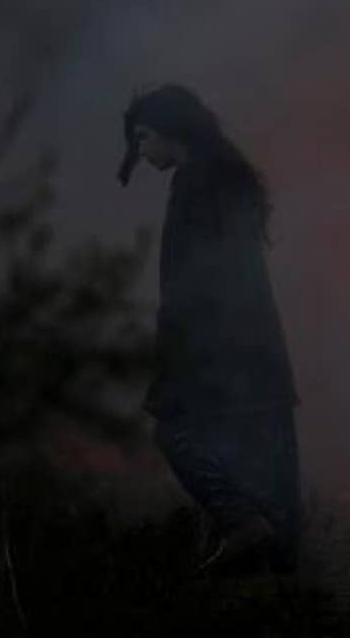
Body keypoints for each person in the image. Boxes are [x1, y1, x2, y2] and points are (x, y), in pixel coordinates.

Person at [119, 85, 301, 571]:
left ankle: (243, 526)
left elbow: (195, 278)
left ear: (170, 129)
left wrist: (180, 347)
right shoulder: (219, 175)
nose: (139, 149)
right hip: (249, 345)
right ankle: (270, 554)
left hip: (220, 346)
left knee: (175, 433)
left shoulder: (198, 182)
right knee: (259, 454)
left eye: (143, 136)